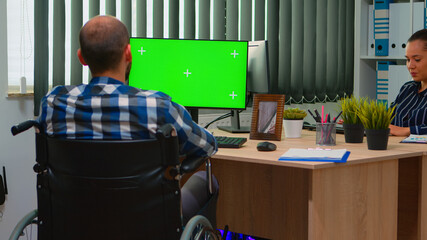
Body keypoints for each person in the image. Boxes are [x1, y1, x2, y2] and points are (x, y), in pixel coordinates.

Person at [37, 15, 218, 223]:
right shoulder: (159, 107)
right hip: (147, 225)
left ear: (81, 57)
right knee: (207, 180)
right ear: (129, 54)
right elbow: (206, 146)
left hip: (74, 222)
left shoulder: (53, 104)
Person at [389, 28, 427, 136]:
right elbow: (386, 119)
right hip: (395, 149)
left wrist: (405, 131)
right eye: (408, 59)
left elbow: (397, 130)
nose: (410, 66)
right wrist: (360, 121)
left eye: (417, 59)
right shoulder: (407, 89)